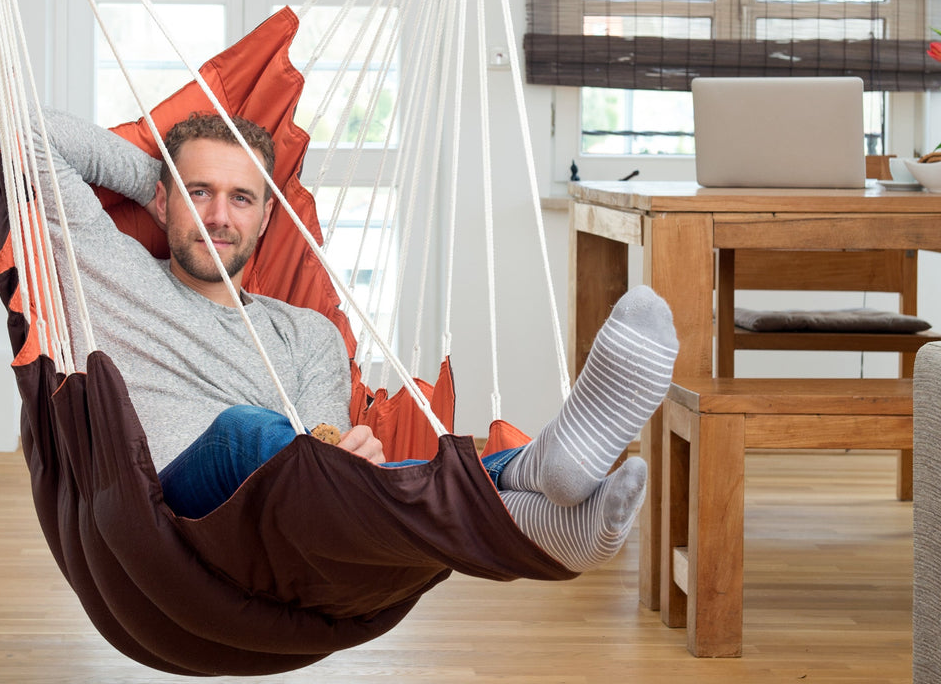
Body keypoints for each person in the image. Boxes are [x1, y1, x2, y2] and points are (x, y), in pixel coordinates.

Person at [37, 108, 678, 573]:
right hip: (163, 508)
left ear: (266, 218)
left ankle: (542, 491)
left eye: (241, 198)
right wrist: (160, 180)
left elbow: (330, 460)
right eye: (198, 193)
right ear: (163, 198)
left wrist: (353, 457)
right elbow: (32, 135)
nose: (218, 217)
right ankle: (527, 477)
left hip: (290, 515)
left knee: (320, 462)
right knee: (251, 432)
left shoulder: (307, 334)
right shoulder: (108, 269)